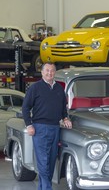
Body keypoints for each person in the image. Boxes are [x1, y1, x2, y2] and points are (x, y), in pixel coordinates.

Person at [22, 62, 72, 190]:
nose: (49, 73)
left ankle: (42, 188)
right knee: (43, 162)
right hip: (40, 128)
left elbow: (62, 108)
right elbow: (25, 107)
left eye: (52, 71)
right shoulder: (35, 88)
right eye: (47, 71)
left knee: (50, 161)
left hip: (55, 128)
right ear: (42, 72)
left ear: (55, 73)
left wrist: (65, 118)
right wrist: (29, 125)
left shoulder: (59, 89)